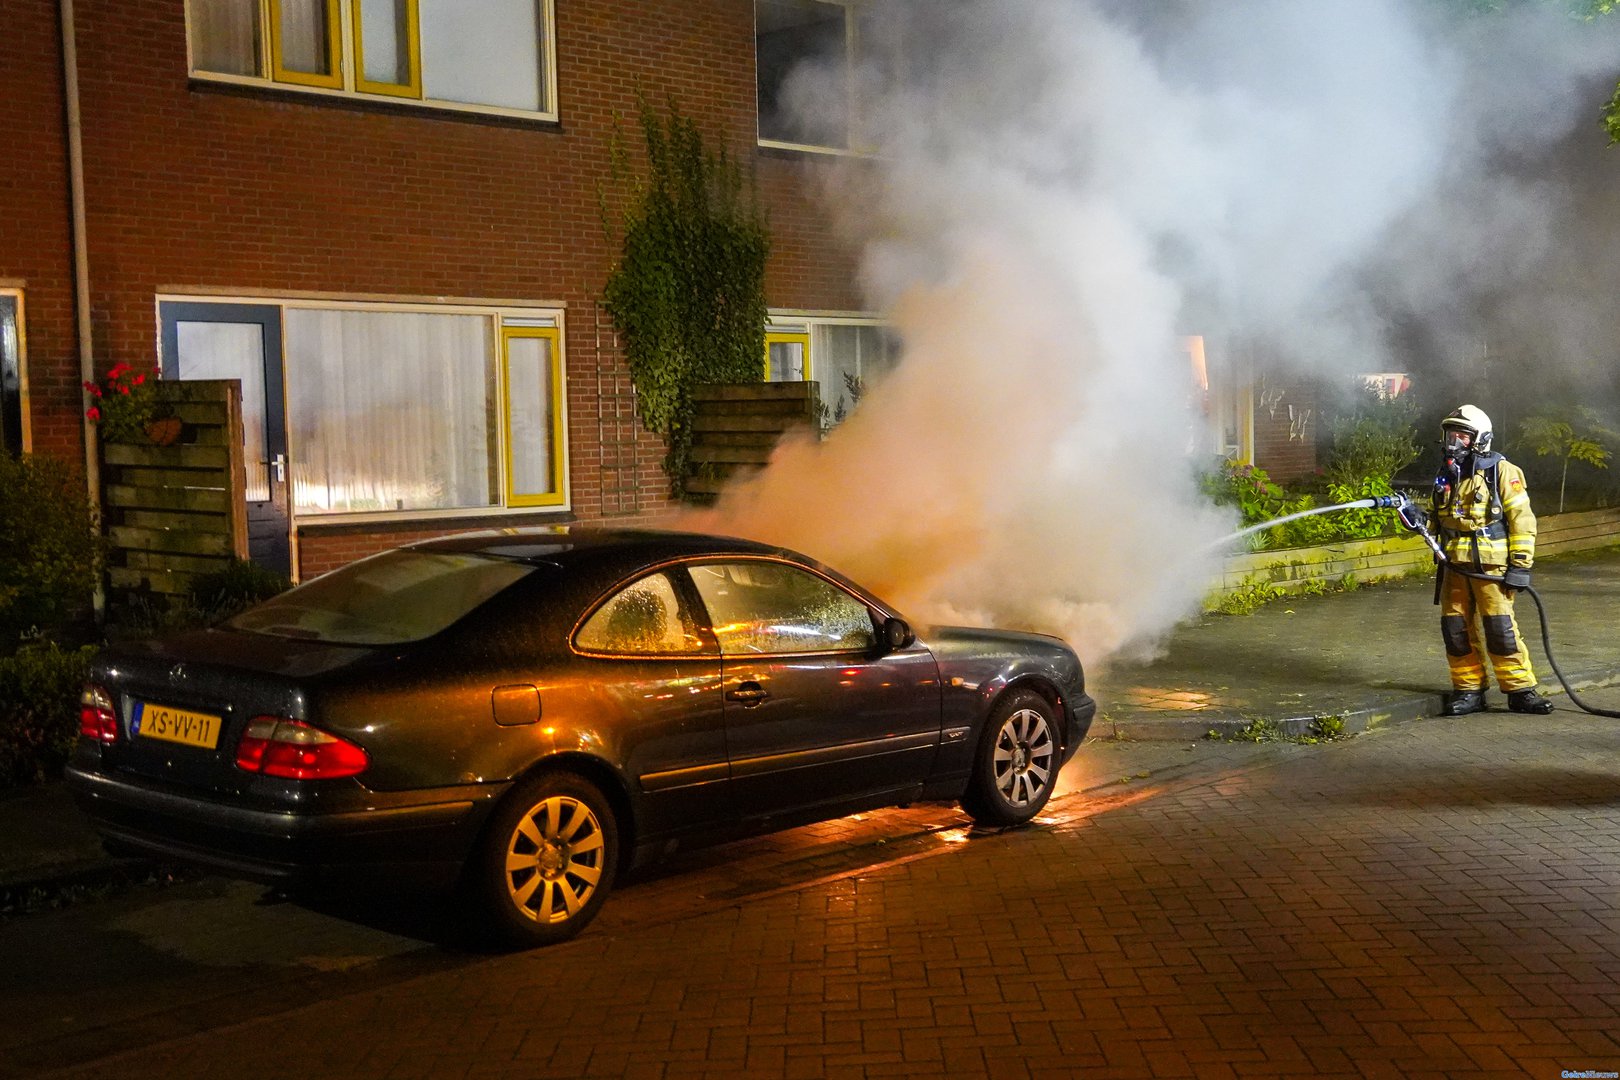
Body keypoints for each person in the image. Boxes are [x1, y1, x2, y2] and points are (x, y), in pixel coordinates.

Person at [1430, 404, 1553, 715]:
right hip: (1454, 570)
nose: (1454, 441)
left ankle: (1520, 690)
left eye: (1462, 435)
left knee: (1501, 630)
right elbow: (1438, 520)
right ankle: (1469, 690)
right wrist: (1415, 518)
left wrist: (1521, 565)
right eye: (1451, 434)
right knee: (1456, 631)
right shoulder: (1447, 475)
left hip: (1492, 571)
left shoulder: (1502, 472)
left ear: (1480, 438)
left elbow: (1522, 521)